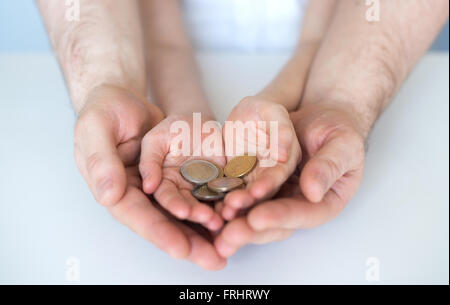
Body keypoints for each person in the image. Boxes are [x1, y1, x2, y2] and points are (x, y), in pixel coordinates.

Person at [38, 0, 448, 270]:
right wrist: (126, 86)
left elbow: (314, 38)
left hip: (346, 33)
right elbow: (165, 42)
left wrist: (339, 97)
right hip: (141, 36)